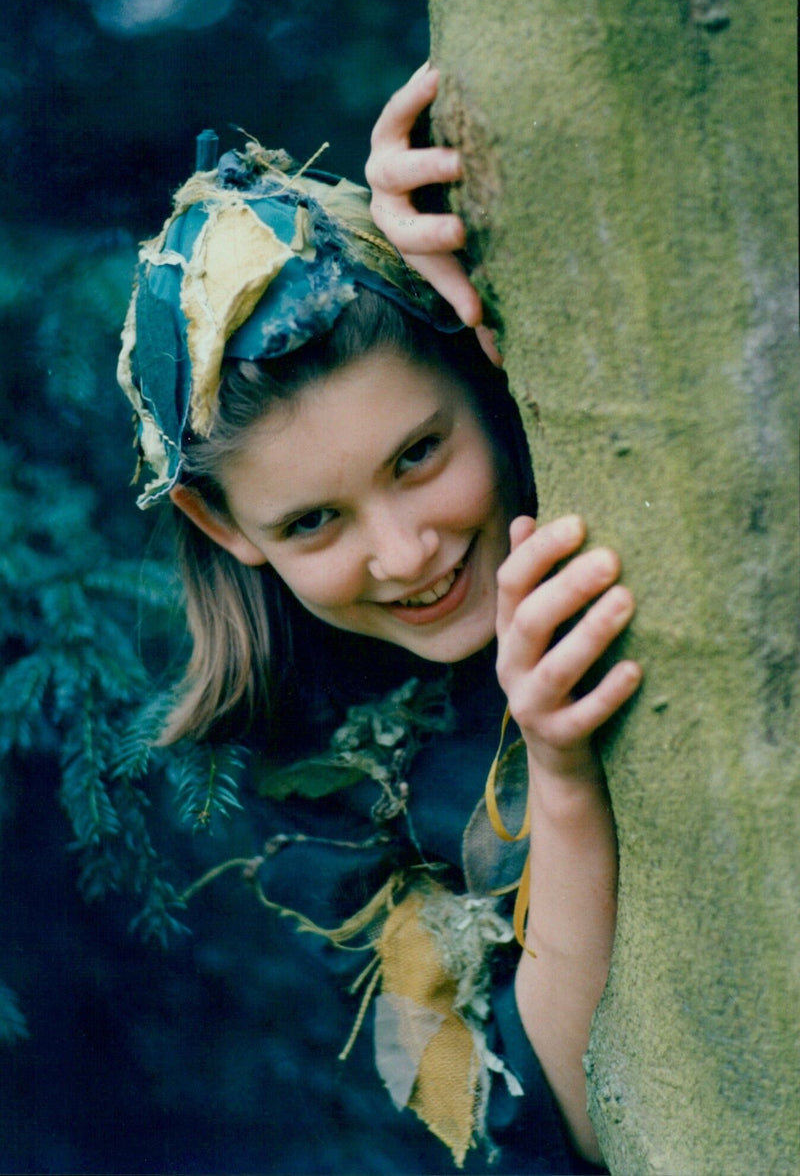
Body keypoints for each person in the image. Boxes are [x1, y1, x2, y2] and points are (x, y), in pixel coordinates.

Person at [116, 64, 641, 1175]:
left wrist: (497, 237)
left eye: (418, 454)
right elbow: (567, 1122)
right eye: (313, 521)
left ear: (480, 373)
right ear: (223, 527)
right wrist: (559, 779)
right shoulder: (306, 773)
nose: (405, 554)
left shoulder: (573, 442)